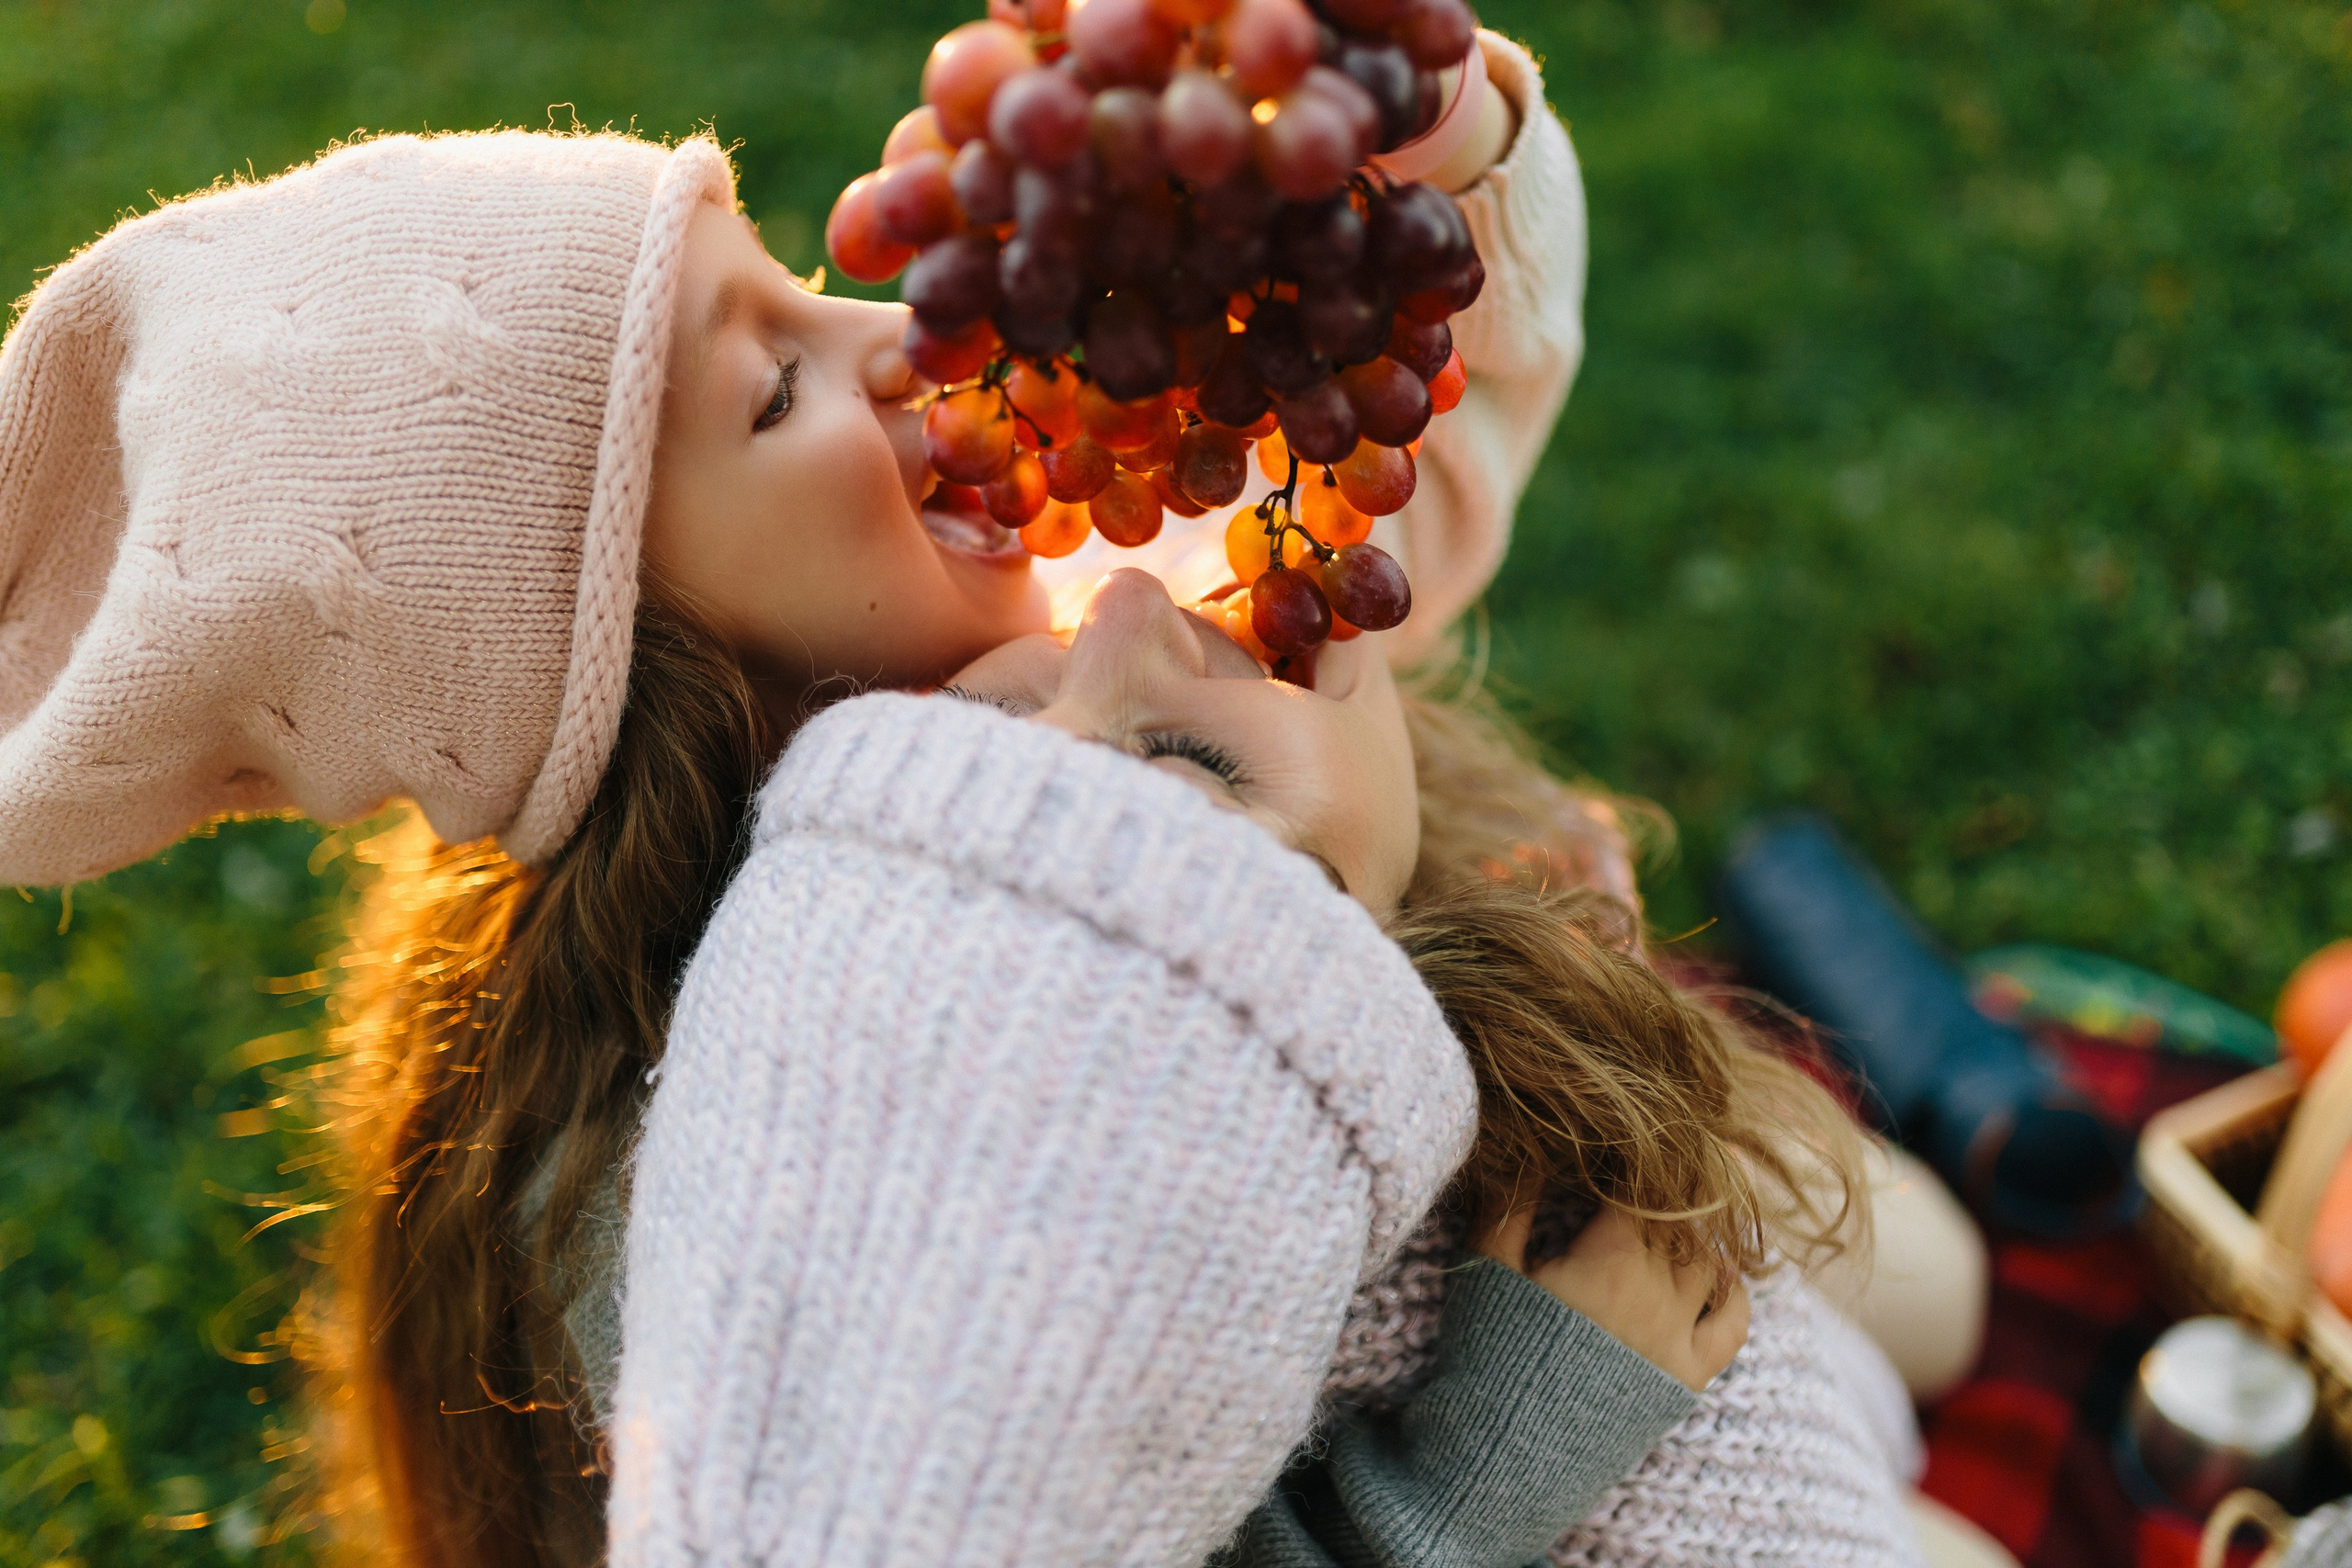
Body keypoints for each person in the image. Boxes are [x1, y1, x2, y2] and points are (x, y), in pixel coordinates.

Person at [0, 23, 1965, 1568]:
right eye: (769, 387)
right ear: (657, 679)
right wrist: (1473, 1465)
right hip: (1622, 1425)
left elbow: (1423, 442)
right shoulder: (747, 1174)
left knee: (1937, 1299)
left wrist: (1428, 155)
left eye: (796, 283)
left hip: (1699, 1251)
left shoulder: (1077, 600)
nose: (900, 333)